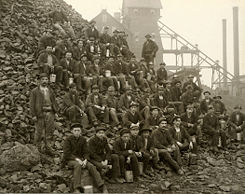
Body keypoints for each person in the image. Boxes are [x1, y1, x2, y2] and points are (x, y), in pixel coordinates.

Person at [62, 123, 108, 193]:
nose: (77, 132)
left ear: (81, 131)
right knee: (77, 165)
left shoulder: (83, 139)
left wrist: (86, 160)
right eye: (75, 130)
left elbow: (86, 152)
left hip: (82, 159)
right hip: (70, 160)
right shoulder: (68, 140)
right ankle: (76, 188)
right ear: (72, 131)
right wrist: (77, 159)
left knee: (91, 166)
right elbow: (67, 154)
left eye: (78, 130)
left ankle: (101, 185)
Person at [30, 73, 58, 156]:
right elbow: (31, 104)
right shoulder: (35, 91)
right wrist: (33, 115)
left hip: (50, 113)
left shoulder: (50, 90)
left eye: (46, 79)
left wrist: (55, 112)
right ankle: (38, 150)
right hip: (40, 114)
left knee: (49, 132)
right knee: (39, 132)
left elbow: (54, 101)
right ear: (39, 81)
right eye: (43, 79)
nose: (45, 81)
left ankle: (48, 148)